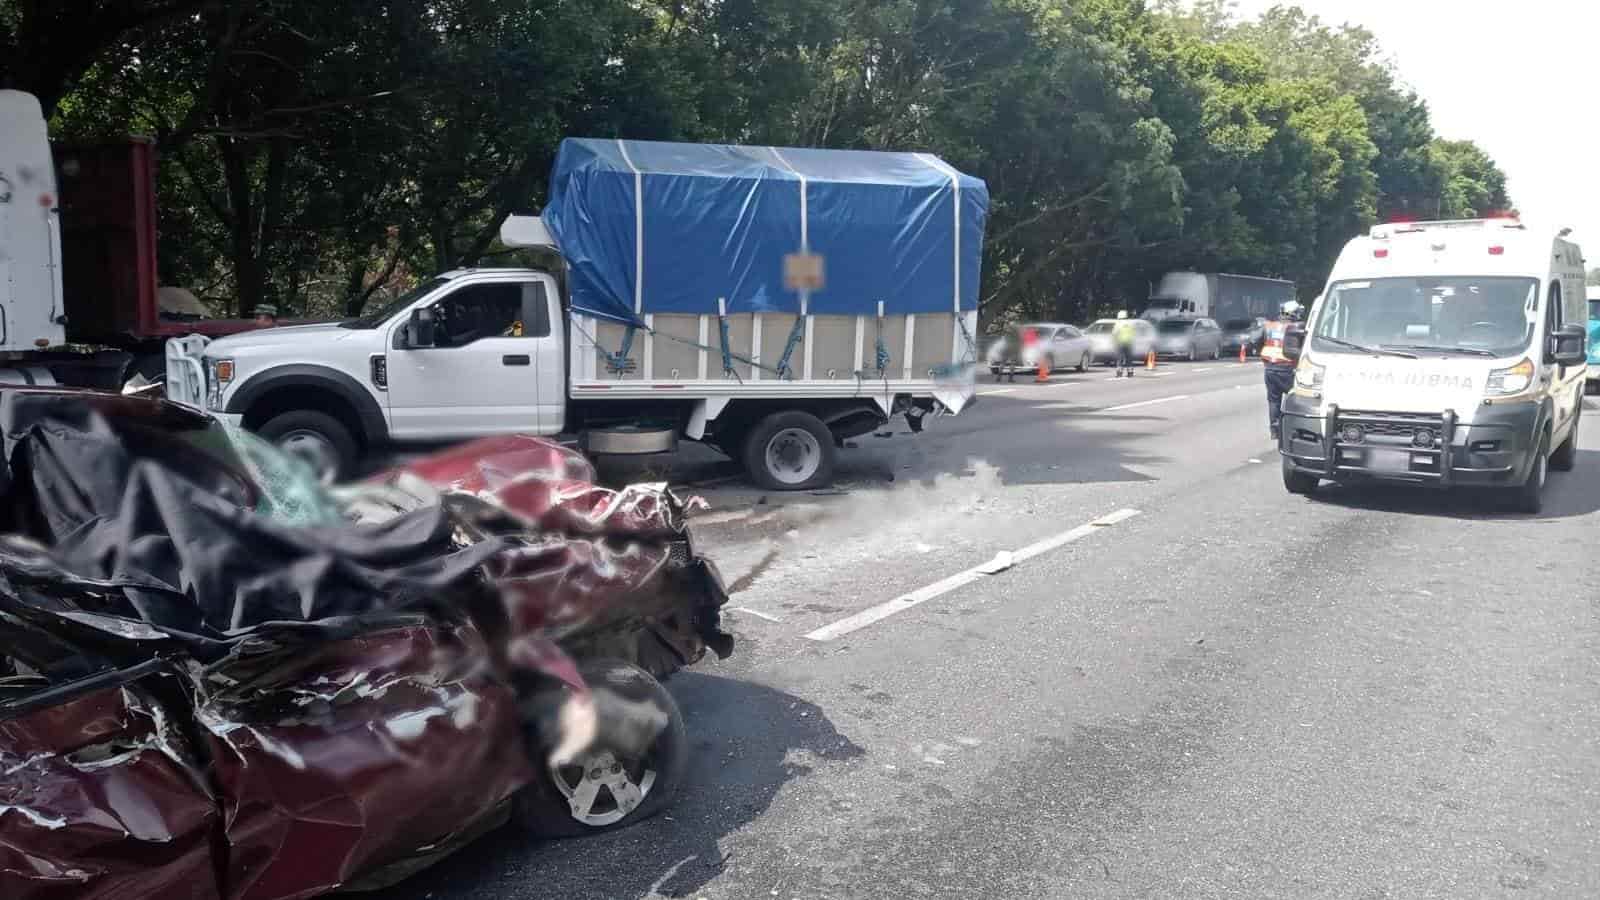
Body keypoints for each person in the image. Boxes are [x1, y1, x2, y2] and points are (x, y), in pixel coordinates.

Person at [1261, 299, 1305, 440]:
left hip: (1270, 368)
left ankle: (1275, 430)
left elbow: (1257, 342)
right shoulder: (1297, 327)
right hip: (1287, 369)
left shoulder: (1269, 326)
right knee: (1299, 398)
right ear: (1294, 314)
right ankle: (1297, 429)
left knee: (1274, 400)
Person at [1112, 310, 1137, 377]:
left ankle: (1119, 372)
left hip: (1120, 343)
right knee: (1129, 358)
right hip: (1129, 343)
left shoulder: (1118, 324)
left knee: (1120, 358)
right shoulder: (1130, 323)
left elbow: (1114, 333)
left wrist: (1114, 341)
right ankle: (1130, 372)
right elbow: (1134, 333)